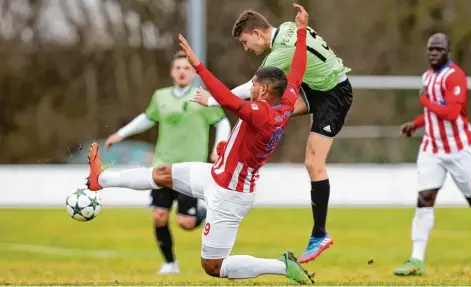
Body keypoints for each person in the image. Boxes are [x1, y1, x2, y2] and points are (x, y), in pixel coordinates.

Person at [85, 4, 314, 284]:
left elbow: (228, 101)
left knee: (213, 267)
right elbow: (298, 69)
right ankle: (100, 180)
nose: (251, 85)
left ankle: (282, 266)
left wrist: (199, 67)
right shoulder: (286, 100)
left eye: (254, 83)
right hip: (216, 175)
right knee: (162, 174)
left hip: (229, 195)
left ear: (264, 90)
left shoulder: (262, 114)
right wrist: (301, 32)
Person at [191, 7, 353, 263]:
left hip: (334, 95)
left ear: (257, 33)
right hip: (316, 88)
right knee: (267, 114)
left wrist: (212, 100)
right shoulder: (288, 28)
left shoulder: (280, 53)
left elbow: (252, 88)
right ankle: (232, 154)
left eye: (245, 42)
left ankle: (319, 234)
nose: (246, 48)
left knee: (313, 162)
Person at [103, 50, 231, 274]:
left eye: (187, 68)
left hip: (190, 169)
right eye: (178, 68)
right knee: (159, 215)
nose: (182, 72)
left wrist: (218, 148)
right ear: (172, 72)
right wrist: (121, 134)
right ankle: (170, 263)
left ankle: (200, 209)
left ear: (193, 73)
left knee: (186, 223)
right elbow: (147, 118)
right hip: (162, 167)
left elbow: (222, 122)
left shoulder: (201, 97)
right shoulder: (160, 96)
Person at [393, 33, 471, 276]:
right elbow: (433, 112)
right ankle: (416, 260)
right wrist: (415, 124)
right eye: (430, 49)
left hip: (459, 149)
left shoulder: (456, 76)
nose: (433, 53)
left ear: (448, 52)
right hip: (432, 148)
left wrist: (424, 101)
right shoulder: (427, 76)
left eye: (438, 49)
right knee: (424, 199)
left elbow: (450, 112)